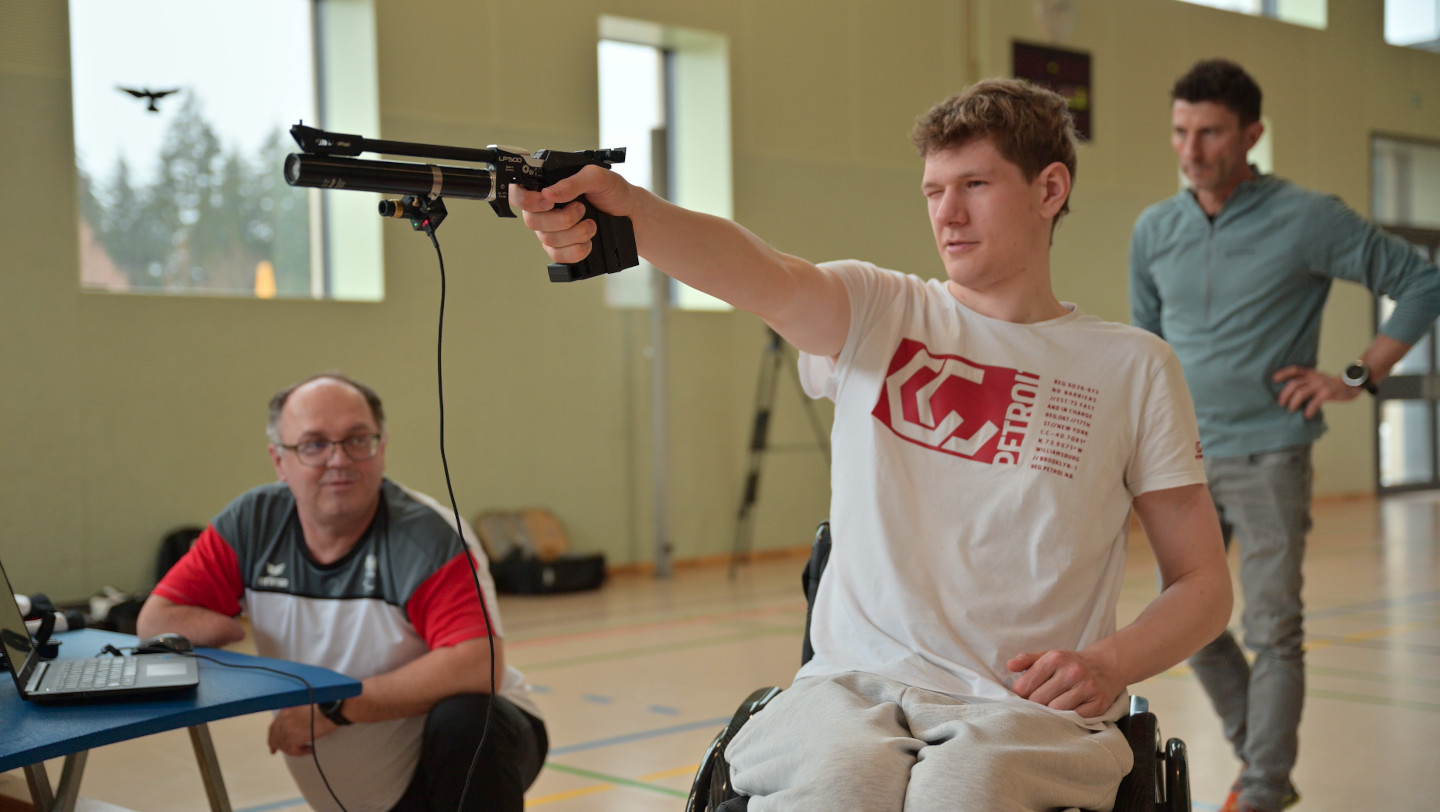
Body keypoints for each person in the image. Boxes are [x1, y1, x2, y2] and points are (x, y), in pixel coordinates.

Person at [516, 78, 1232, 811]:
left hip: (1024, 711)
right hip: (849, 692)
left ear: (1049, 189)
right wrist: (635, 213)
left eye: (975, 185)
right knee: (839, 788)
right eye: (934, 191)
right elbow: (763, 274)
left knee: (962, 795)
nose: (947, 213)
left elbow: (1202, 581)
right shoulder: (879, 311)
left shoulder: (1133, 367)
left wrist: (1110, 663)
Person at [1129, 59, 1440, 812]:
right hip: (1183, 460)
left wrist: (1357, 375)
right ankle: (1261, 759)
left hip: (1271, 451)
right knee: (1187, 622)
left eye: (1210, 133)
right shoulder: (1154, 229)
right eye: (1180, 131)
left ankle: (1262, 789)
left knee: (1273, 628)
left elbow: (1423, 281)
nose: (1191, 150)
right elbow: (1145, 346)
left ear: (1252, 135)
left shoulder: (1308, 217)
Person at [136, 373, 547, 812]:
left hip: (463, 757)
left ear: (381, 448)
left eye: (357, 440)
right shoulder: (252, 524)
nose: (339, 459)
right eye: (314, 444)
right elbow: (157, 620)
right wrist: (226, 628)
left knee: (468, 720)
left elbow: (477, 665)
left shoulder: (430, 537)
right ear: (279, 460)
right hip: (365, 793)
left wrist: (333, 708)